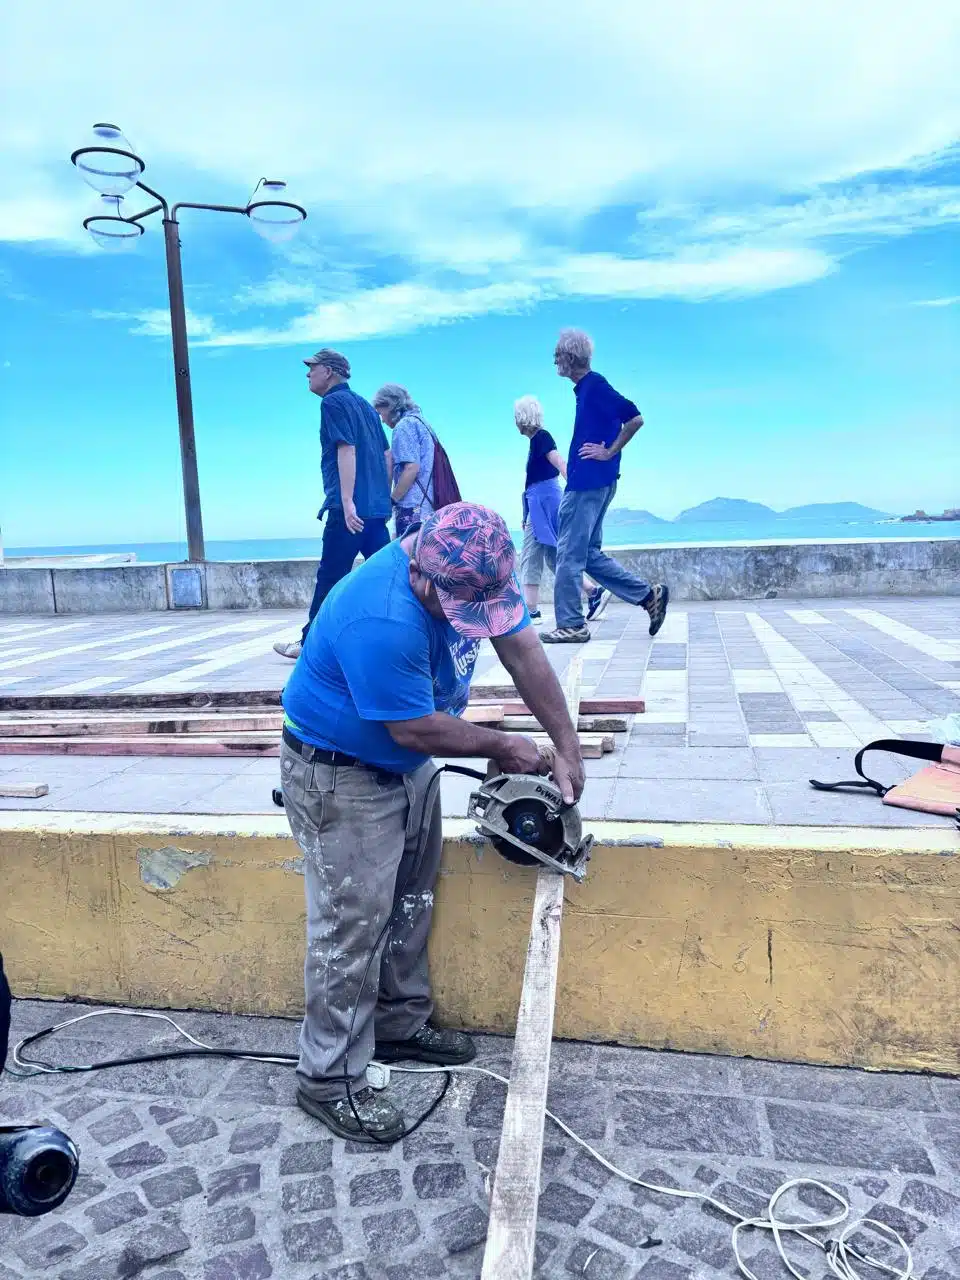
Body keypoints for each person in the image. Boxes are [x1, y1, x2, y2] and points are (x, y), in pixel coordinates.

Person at [280, 502, 584, 1142]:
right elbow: (411, 726)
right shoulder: (382, 614)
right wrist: (505, 746)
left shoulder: (470, 563)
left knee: (411, 897)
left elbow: (525, 651)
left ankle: (397, 1022)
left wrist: (566, 742)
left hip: (405, 763)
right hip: (343, 773)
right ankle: (329, 1080)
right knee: (351, 923)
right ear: (423, 577)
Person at [542, 328, 669, 644]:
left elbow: (635, 418)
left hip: (587, 486)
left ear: (570, 358)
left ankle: (571, 623)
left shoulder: (594, 386)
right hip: (597, 483)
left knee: (568, 556)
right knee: (586, 554)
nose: (554, 358)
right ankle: (648, 596)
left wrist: (609, 451)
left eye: (557, 353)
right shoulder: (586, 390)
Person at [274, 349, 392, 661]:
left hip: (350, 512)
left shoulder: (334, 402)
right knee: (389, 579)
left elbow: (347, 449)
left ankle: (310, 644)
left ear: (329, 371)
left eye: (311, 368)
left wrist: (348, 501)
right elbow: (387, 456)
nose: (308, 374)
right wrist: (382, 498)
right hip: (376, 511)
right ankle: (407, 637)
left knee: (331, 576)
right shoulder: (366, 406)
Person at [372, 383, 436, 538]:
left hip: (412, 508)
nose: (382, 420)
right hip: (429, 506)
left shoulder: (404, 426)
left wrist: (392, 500)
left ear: (389, 406)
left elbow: (411, 468)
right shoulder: (422, 423)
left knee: (408, 557)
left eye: (381, 414)